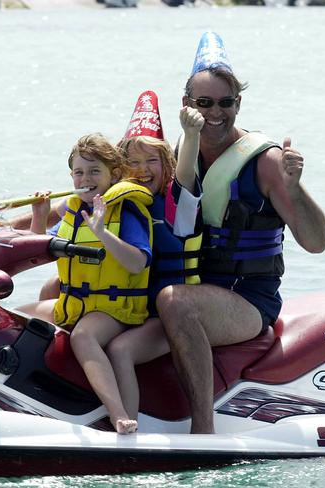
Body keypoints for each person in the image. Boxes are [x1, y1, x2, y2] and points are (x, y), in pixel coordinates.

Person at [157, 31, 325, 434]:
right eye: (205, 103)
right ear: (187, 106)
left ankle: (203, 429)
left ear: (238, 104)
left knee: (174, 303)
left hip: (248, 300)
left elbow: (317, 243)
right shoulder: (181, 150)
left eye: (225, 103)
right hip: (198, 285)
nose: (215, 113)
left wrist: (293, 186)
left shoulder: (265, 161)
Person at [18, 132, 154, 434]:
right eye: (79, 172)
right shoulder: (73, 211)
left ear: (113, 174)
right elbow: (40, 255)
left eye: (95, 171)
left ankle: (119, 415)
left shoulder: (125, 211)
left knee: (83, 337)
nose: (86, 179)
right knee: (15, 320)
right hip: (76, 304)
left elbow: (138, 262)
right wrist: (38, 218)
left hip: (115, 309)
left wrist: (104, 232)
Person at [104, 90, 205, 424]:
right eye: (133, 162)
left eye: (152, 161)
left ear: (166, 165)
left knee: (121, 350)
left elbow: (187, 172)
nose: (142, 169)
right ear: (120, 168)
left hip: (167, 317)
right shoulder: (118, 204)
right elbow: (64, 214)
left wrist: (191, 135)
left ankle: (127, 427)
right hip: (129, 307)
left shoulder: (178, 207)